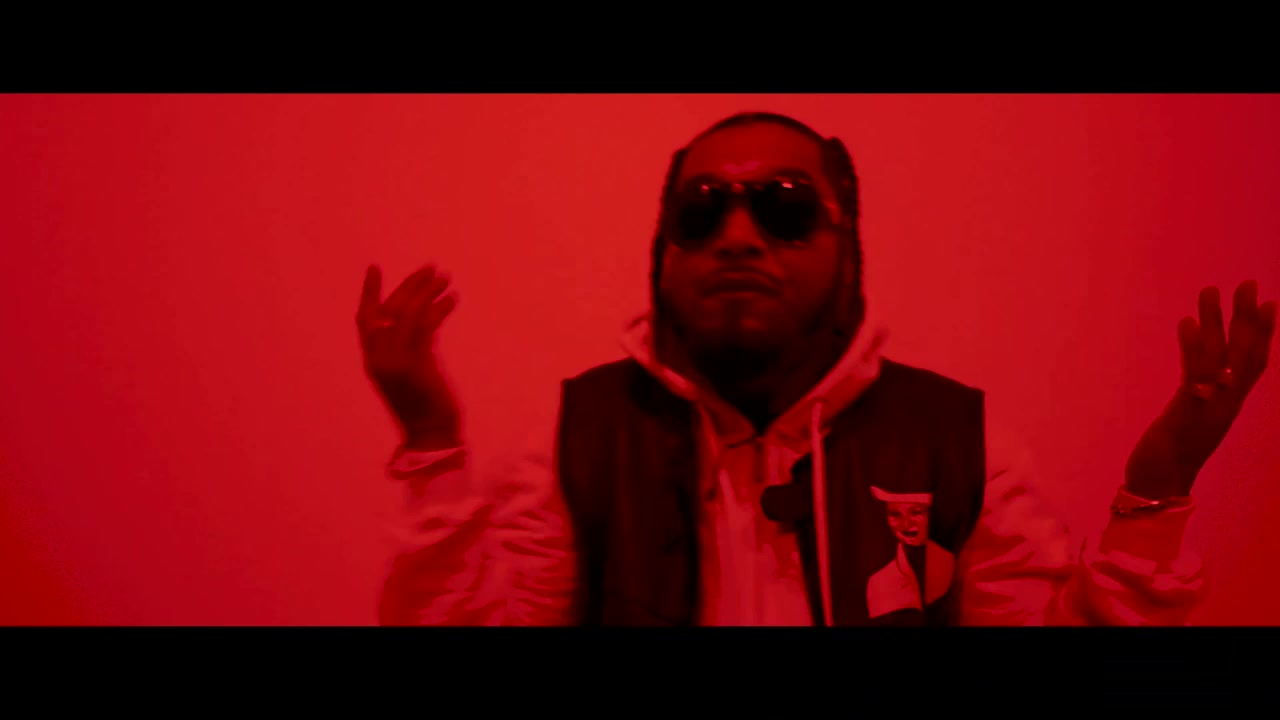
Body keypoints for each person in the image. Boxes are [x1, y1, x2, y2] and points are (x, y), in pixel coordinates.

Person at [356, 111, 1277, 626]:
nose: (738, 235)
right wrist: (431, 443)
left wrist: (1158, 493)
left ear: (848, 243)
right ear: (664, 251)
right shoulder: (577, 437)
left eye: (786, 207)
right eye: (701, 210)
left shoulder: (960, 441)